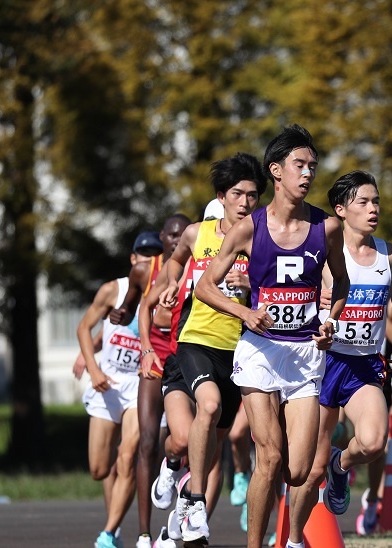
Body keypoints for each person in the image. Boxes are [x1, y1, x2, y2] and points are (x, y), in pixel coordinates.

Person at [193, 124, 349, 548]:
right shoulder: (248, 228)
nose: (308, 174)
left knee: (300, 470)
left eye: (313, 167)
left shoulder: (328, 227)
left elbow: (344, 284)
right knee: (271, 457)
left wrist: (329, 319)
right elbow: (204, 287)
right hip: (260, 351)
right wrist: (245, 311)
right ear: (276, 171)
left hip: (304, 354)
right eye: (300, 165)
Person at [287, 171, 392, 545]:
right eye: (363, 202)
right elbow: (291, 295)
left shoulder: (391, 254)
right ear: (341, 210)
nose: (373, 209)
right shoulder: (323, 253)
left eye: (376, 201)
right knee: (311, 470)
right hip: (323, 365)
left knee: (373, 443)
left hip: (364, 364)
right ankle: (294, 540)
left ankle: (343, 467)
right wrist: (315, 304)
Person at [156, 152, 267, 543]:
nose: (245, 203)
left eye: (253, 195)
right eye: (238, 194)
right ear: (222, 196)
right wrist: (172, 282)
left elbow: (277, 293)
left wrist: (251, 287)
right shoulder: (196, 233)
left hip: (237, 349)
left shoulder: (262, 242)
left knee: (216, 442)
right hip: (197, 339)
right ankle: (195, 502)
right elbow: (175, 261)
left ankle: (188, 498)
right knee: (209, 405)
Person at [76, 234, 163, 548]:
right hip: (108, 381)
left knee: (128, 457)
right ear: (132, 259)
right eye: (142, 255)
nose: (147, 261)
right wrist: (91, 365)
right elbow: (85, 328)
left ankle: (109, 532)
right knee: (101, 469)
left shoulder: (165, 289)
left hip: (140, 383)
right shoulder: (115, 289)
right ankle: (113, 525)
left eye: (155, 255)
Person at [110, 215, 191, 547]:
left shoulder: (198, 267)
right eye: (171, 236)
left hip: (185, 354)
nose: (176, 241)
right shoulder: (145, 270)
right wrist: (121, 317)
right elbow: (132, 306)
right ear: (163, 237)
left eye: (181, 235)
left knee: (184, 440)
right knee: (146, 443)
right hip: (155, 354)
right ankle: (144, 533)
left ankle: (176, 497)